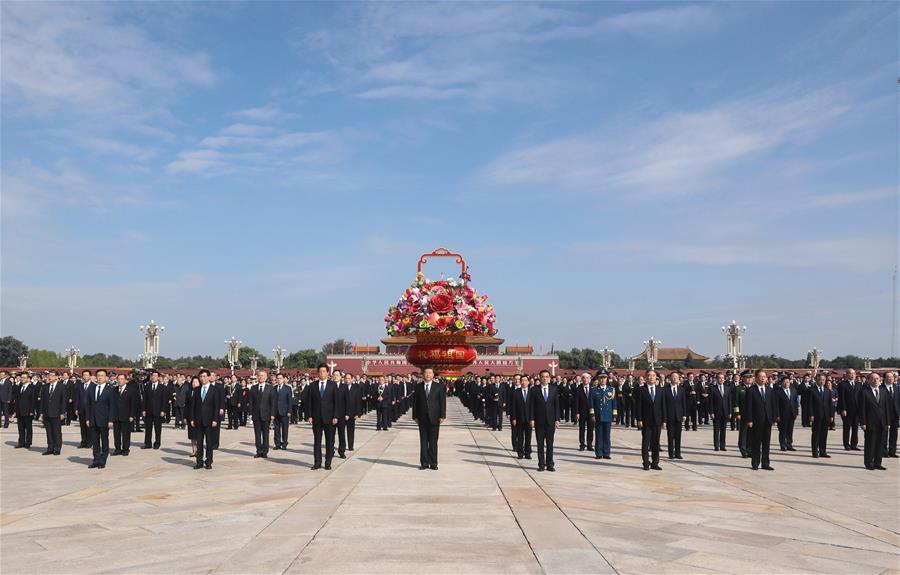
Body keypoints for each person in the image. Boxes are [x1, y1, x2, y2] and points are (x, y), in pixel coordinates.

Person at [413, 367, 446, 470]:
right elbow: (415, 403)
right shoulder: (418, 387)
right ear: (423, 374)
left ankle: (433, 463)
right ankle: (424, 463)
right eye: (426, 372)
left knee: (433, 441)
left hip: (435, 417)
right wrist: (415, 416)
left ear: (433, 375)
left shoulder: (439, 386)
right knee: (423, 441)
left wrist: (442, 415)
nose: (427, 374)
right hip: (422, 418)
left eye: (429, 373)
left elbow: (442, 402)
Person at [308, 364, 338, 470]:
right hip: (316, 418)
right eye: (320, 371)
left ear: (327, 373)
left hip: (329, 418)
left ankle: (328, 462)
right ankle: (317, 462)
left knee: (329, 442)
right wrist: (309, 416)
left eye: (324, 371)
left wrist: (335, 416)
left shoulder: (333, 385)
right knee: (317, 441)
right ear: (318, 373)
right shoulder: (312, 386)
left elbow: (336, 402)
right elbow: (309, 402)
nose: (322, 373)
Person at [527, 369, 559, 472]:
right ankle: (541, 464)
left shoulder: (554, 389)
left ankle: (550, 464)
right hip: (538, 421)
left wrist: (557, 419)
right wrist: (531, 418)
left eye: (546, 376)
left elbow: (556, 406)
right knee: (540, 444)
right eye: (543, 377)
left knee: (550, 444)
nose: (544, 378)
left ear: (549, 378)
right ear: (539, 378)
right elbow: (531, 405)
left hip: (550, 421)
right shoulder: (534, 390)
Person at [745, 369, 776, 470]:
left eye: (765, 377)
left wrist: (773, 418)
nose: (763, 378)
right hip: (756, 420)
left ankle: (765, 463)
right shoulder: (751, 390)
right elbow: (748, 407)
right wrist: (749, 420)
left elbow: (773, 405)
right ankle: (755, 463)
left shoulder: (770, 390)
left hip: (767, 420)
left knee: (766, 443)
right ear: (756, 378)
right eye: (761, 376)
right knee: (756, 443)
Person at [86, 369, 117, 469]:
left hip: (104, 420)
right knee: (95, 441)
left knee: (104, 441)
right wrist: (87, 418)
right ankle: (96, 460)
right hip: (93, 419)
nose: (100, 377)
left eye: (102, 376)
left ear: (106, 378)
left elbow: (112, 406)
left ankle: (103, 460)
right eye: (98, 375)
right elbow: (88, 405)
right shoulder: (92, 389)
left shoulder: (110, 390)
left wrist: (111, 420)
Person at [635, 369, 665, 470]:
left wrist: (664, 420)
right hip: (645, 421)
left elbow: (663, 406)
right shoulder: (641, 390)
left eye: (653, 376)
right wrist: (639, 419)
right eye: (649, 375)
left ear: (656, 378)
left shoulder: (660, 390)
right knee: (646, 443)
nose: (651, 377)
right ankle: (646, 462)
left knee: (656, 443)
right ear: (645, 377)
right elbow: (638, 406)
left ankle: (655, 463)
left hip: (657, 420)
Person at [191, 369, 220, 470]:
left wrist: (215, 419)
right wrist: (192, 419)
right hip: (198, 420)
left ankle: (208, 461)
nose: (202, 378)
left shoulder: (214, 390)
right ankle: (199, 461)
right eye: (201, 377)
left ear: (208, 377)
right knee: (199, 442)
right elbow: (193, 406)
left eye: (204, 376)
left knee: (209, 442)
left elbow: (216, 406)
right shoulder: (196, 390)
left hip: (210, 420)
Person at [858, 372, 887, 471]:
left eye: (877, 379)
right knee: (870, 443)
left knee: (880, 443)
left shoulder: (883, 391)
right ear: (869, 380)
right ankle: (869, 462)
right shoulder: (864, 392)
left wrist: (888, 422)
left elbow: (887, 408)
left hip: (882, 422)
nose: (875, 381)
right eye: (873, 379)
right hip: (870, 422)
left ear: (880, 380)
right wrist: (863, 422)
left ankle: (878, 462)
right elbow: (862, 408)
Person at [590, 369, 616, 459]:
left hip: (608, 415)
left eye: (604, 377)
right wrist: (592, 415)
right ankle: (599, 453)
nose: (602, 379)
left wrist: (614, 415)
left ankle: (606, 453)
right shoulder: (593, 390)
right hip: (598, 415)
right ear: (598, 379)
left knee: (607, 435)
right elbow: (591, 404)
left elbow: (614, 404)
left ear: (607, 379)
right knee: (599, 435)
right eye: (600, 378)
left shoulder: (611, 390)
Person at [39, 371, 66, 456]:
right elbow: (42, 401)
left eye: (52, 375)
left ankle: (57, 448)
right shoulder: (45, 387)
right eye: (49, 375)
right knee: (49, 432)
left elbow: (64, 401)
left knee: (56, 432)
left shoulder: (62, 387)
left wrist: (62, 412)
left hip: (57, 413)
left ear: (57, 377)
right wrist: (41, 413)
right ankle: (50, 448)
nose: (50, 377)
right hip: (46, 413)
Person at [251, 370, 276, 458]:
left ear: (266, 377)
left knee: (266, 433)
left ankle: (265, 451)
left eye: (262, 376)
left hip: (266, 414)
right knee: (257, 434)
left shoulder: (270, 388)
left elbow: (273, 402)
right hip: (256, 415)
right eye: (259, 375)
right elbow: (251, 402)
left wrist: (272, 414)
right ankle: (259, 450)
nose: (260, 377)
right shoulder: (253, 388)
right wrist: (251, 413)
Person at [141, 370, 169, 450]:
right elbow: (144, 399)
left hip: (158, 411)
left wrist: (163, 410)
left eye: (155, 376)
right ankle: (147, 443)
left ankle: (157, 443)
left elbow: (164, 400)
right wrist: (143, 410)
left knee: (158, 429)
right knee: (148, 429)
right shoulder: (147, 387)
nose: (153, 377)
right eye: (152, 376)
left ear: (159, 377)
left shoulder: (162, 387)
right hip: (148, 411)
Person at [663, 372, 687, 459]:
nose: (675, 379)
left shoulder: (681, 389)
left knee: (678, 436)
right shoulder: (665, 389)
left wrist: (684, 414)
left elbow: (684, 403)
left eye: (676, 377)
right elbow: (664, 405)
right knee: (670, 436)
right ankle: (671, 453)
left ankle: (678, 453)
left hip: (679, 416)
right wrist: (664, 419)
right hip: (669, 416)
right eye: (673, 377)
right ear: (670, 378)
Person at [112, 373, 137, 456]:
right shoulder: (114, 390)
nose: (120, 381)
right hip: (116, 416)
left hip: (126, 416)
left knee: (126, 434)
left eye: (122, 379)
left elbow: (133, 404)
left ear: (126, 380)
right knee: (116, 434)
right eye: (118, 379)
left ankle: (126, 449)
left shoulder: (131, 390)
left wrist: (132, 415)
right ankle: (117, 449)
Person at [809, 373, 832, 458]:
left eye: (823, 380)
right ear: (816, 380)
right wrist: (811, 414)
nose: (822, 381)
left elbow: (830, 404)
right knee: (816, 434)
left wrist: (831, 415)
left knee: (824, 434)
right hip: (816, 415)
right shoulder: (812, 390)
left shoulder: (827, 391)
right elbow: (810, 404)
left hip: (825, 416)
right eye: (820, 380)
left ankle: (823, 451)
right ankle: (815, 452)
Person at [709, 372, 733, 451]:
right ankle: (716, 445)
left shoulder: (727, 388)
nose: (721, 379)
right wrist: (711, 412)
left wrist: (730, 412)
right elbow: (711, 402)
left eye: (722, 378)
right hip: (716, 412)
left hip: (725, 412)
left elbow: (729, 401)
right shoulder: (712, 388)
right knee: (716, 430)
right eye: (719, 378)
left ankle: (723, 445)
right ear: (716, 379)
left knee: (723, 430)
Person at [510, 375, 532, 459]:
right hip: (519, 418)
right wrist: (514, 418)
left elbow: (534, 406)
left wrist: (533, 418)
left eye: (525, 380)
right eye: (522, 380)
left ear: (528, 382)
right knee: (520, 437)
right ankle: (520, 453)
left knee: (528, 437)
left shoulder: (532, 392)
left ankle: (527, 453)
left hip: (529, 419)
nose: (523, 382)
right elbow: (513, 406)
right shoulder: (516, 392)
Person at [838, 368, 861, 451]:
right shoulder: (842, 384)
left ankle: (854, 444)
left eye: (854, 373)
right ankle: (846, 444)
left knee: (855, 428)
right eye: (850, 373)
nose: (852, 375)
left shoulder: (858, 384)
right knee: (847, 428)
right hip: (847, 410)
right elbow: (842, 398)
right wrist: (843, 409)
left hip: (857, 410)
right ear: (846, 375)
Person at [13, 372, 37, 449]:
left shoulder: (32, 388)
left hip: (28, 411)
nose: (22, 379)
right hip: (19, 411)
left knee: (28, 428)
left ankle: (28, 442)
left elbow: (33, 400)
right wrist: (15, 411)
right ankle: (21, 442)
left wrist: (31, 411)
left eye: (24, 378)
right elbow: (16, 400)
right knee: (20, 428)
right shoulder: (19, 387)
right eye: (21, 377)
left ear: (28, 379)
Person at [776, 375, 799, 451]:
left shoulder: (793, 391)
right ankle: (783, 445)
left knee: (790, 430)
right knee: (783, 430)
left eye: (788, 382)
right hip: (782, 415)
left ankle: (789, 444)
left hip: (792, 414)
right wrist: (777, 415)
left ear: (790, 383)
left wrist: (796, 412)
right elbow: (776, 405)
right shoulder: (778, 392)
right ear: (782, 383)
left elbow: (796, 403)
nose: (786, 383)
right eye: (785, 382)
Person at [575, 373, 593, 452]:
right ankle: (582, 445)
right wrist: (577, 412)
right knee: (582, 429)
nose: (586, 380)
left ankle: (589, 444)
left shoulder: (593, 389)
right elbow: (576, 402)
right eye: (584, 378)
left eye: (587, 378)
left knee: (590, 429)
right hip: (581, 412)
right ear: (582, 379)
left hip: (591, 412)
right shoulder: (578, 389)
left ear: (590, 379)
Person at [274, 373, 292, 450]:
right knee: (276, 429)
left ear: (283, 379)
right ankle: (277, 444)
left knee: (285, 429)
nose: (279, 379)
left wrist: (289, 411)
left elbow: (290, 401)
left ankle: (284, 443)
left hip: (285, 412)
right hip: (276, 412)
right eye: (277, 378)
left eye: (280, 378)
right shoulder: (274, 388)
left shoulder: (287, 388)